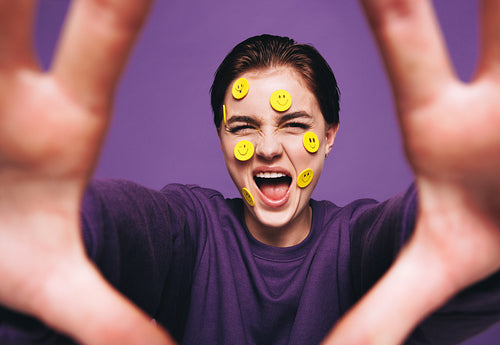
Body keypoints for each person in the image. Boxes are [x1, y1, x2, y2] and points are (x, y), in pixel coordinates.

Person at [0, 0, 499, 344]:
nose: (266, 149)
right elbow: (116, 227)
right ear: (221, 137)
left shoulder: (357, 243)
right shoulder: (188, 231)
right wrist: (42, 225)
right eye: (242, 125)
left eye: (293, 124)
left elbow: (420, 238)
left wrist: (482, 210)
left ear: (329, 135)